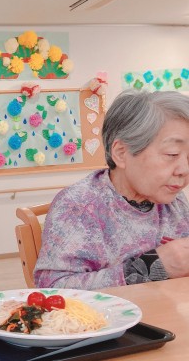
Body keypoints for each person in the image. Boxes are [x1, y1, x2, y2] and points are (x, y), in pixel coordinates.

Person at [35, 89, 189, 290]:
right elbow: (53, 288)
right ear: (121, 153)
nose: (184, 169)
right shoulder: (80, 205)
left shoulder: (174, 200)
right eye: (172, 154)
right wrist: (151, 267)